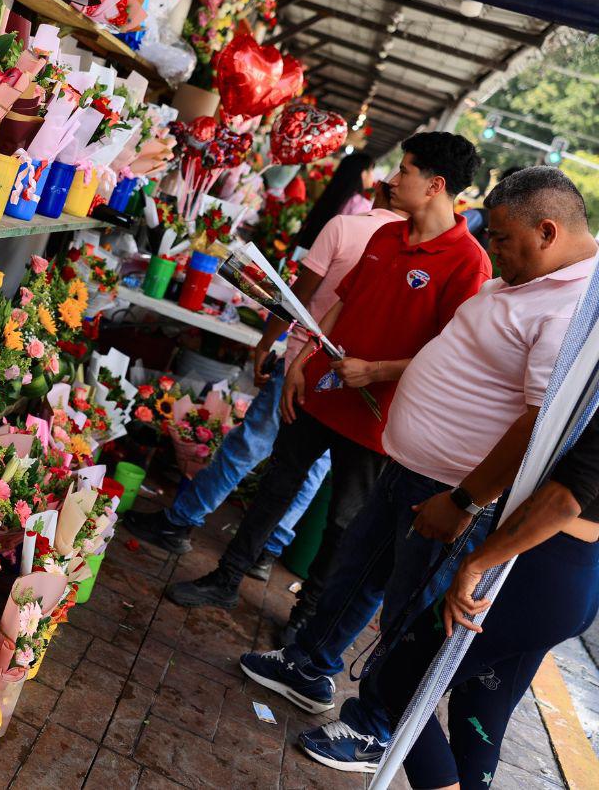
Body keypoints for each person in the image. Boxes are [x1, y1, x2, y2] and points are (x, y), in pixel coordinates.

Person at [237, 167, 598, 771]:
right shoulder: (529, 279)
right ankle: (309, 665)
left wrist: (464, 501)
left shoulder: (572, 308)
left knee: (410, 614)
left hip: (453, 490)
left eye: (502, 239)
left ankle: (375, 727)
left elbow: (535, 425)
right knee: (359, 571)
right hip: (413, 467)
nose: (493, 250)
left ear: (547, 231)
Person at [165, 133, 490, 626]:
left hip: (378, 418)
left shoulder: (468, 262)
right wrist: (302, 360)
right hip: (320, 391)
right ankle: (227, 578)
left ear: (435, 185)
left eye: (404, 170)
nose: (391, 179)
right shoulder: (385, 235)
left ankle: (305, 616)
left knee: (344, 521)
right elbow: (342, 303)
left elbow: (448, 354)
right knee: (276, 486)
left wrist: (374, 372)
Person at [124, 182, 406, 589]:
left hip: (301, 365)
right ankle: (268, 550)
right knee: (314, 470)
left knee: (249, 445)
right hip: (343, 378)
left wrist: (264, 343)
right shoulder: (402, 249)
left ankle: (181, 521)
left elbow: (296, 298)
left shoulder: (346, 227)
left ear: (381, 192)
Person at [377, 407, 599, 790]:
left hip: (533, 570)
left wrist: (477, 564)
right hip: (572, 574)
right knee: (479, 713)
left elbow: (565, 498)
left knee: (401, 681)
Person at [293, 152, 376, 251]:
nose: (373, 176)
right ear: (363, 174)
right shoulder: (362, 205)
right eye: (372, 171)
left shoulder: (332, 195)